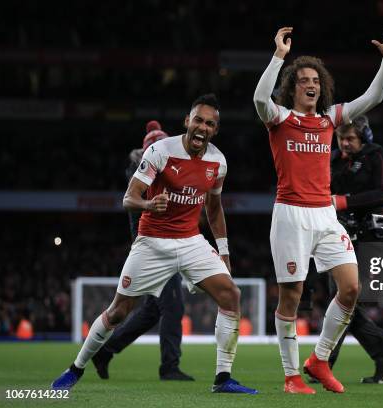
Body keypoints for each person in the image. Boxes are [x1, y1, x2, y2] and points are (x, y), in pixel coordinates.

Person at [52, 94, 258, 394]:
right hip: (152, 242)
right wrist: (149, 205)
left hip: (190, 242)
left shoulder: (218, 162)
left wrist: (224, 252)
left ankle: (223, 378)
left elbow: (213, 208)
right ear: (187, 121)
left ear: (215, 130)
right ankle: (75, 369)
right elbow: (128, 198)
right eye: (198, 120)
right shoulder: (161, 151)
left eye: (210, 124)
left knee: (231, 295)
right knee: (119, 311)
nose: (203, 127)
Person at [253, 27, 383, 394]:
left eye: (315, 80)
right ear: (292, 88)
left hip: (325, 215)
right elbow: (258, 98)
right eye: (303, 80)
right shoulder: (280, 119)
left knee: (350, 288)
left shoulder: (330, 119)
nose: (310, 84)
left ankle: (318, 359)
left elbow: (373, 97)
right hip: (290, 215)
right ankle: (291, 377)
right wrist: (278, 57)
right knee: (292, 295)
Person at [91, 120, 194, 382]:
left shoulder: (150, 171)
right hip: (155, 248)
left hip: (159, 245)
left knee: (152, 311)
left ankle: (105, 351)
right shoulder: (148, 173)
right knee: (173, 306)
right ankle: (169, 367)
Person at [325, 115, 383, 384]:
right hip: (344, 236)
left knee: (343, 298)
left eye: (350, 139)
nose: (345, 143)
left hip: (373, 238)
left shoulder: (378, 156)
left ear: (364, 137)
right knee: (343, 300)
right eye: (340, 138)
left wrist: (344, 201)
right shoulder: (334, 160)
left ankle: (324, 361)